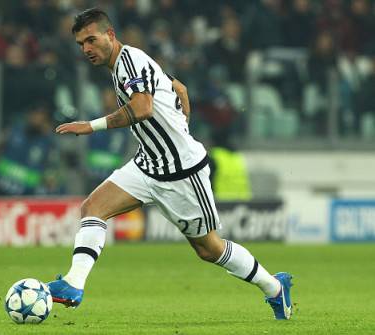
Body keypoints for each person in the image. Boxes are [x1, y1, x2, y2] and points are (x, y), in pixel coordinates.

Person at [48, 8, 293, 320]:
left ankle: (274, 287)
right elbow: (171, 85)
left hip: (182, 173)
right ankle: (73, 284)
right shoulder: (125, 63)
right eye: (81, 44)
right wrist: (175, 84)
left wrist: (90, 125)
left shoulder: (130, 61)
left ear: (110, 35)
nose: (86, 49)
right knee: (92, 208)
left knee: (209, 249)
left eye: (91, 40)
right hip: (148, 163)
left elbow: (142, 108)